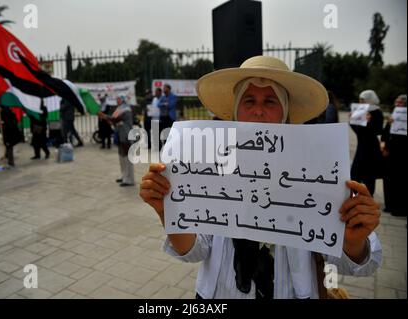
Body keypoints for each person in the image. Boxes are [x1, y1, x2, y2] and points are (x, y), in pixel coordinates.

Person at [140, 56, 382, 299]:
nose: (258, 110)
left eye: (269, 101)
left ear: (285, 112)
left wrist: (353, 241)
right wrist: (167, 212)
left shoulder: (318, 169)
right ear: (236, 111)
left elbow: (354, 263)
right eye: (249, 100)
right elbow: (196, 250)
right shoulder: (208, 165)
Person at [350, 90, 384, 196]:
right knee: (354, 174)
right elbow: (358, 131)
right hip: (361, 146)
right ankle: (354, 196)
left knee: (369, 175)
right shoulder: (360, 110)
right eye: (360, 99)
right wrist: (351, 121)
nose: (360, 101)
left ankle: (368, 198)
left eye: (363, 99)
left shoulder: (376, 112)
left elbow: (377, 131)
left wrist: (369, 122)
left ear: (369, 99)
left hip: (371, 148)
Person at [380, 94, 407, 216]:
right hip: (390, 153)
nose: (397, 104)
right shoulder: (393, 117)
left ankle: (399, 208)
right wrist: (390, 124)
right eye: (396, 102)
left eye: (400, 103)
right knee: (389, 179)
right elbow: (385, 135)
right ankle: (389, 204)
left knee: (400, 180)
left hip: (402, 155)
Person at [104, 95, 135, 187]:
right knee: (122, 157)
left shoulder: (126, 110)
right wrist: (108, 119)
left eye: (118, 99)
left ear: (123, 100)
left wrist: (104, 116)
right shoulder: (119, 108)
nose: (117, 100)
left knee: (127, 158)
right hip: (120, 135)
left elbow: (115, 119)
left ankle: (129, 179)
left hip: (126, 135)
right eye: (116, 98)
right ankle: (124, 176)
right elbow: (114, 121)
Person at [158, 84, 177, 149]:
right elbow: (158, 104)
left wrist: (164, 104)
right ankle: (161, 146)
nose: (163, 89)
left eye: (165, 88)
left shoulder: (173, 96)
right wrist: (164, 104)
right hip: (163, 117)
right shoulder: (162, 97)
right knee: (160, 131)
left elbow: (171, 105)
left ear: (169, 89)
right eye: (163, 88)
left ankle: (169, 146)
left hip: (170, 117)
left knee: (169, 132)